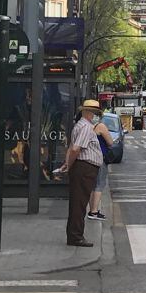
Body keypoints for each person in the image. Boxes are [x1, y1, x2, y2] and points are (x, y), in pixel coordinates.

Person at [59, 100, 104, 247]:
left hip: (83, 168)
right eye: (95, 113)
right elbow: (76, 149)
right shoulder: (85, 127)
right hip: (84, 168)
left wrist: (67, 163)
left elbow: (72, 146)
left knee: (77, 202)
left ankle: (74, 235)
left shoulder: (80, 125)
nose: (96, 116)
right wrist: (69, 164)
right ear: (88, 112)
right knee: (79, 203)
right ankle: (76, 237)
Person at [86, 113, 116, 221]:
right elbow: (110, 142)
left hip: (89, 158)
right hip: (100, 158)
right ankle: (94, 211)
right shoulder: (101, 126)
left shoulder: (85, 126)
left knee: (92, 184)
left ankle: (91, 210)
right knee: (99, 184)